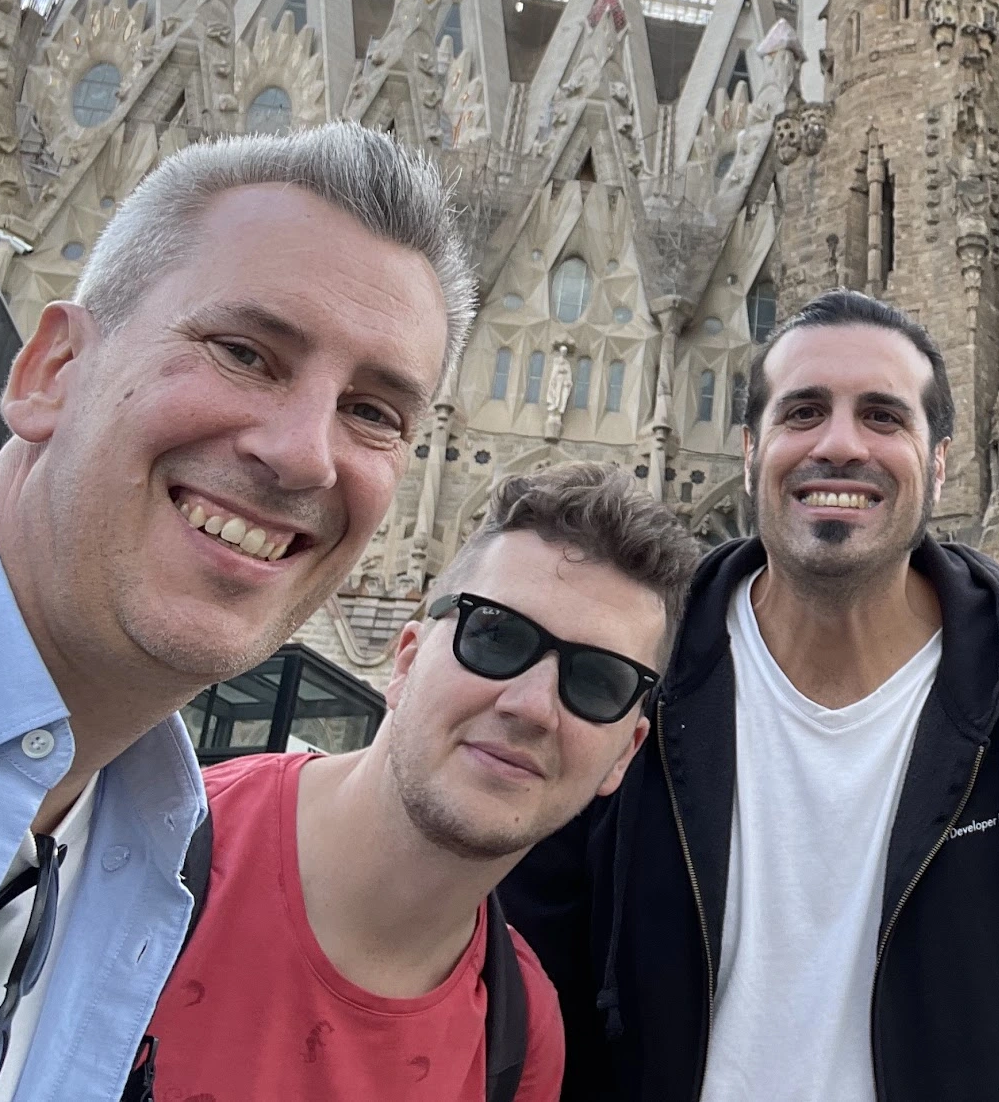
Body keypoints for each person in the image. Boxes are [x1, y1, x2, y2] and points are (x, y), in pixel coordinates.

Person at [0, 124, 471, 1102]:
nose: (301, 455)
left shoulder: (147, 860)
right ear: (53, 372)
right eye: (245, 351)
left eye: (374, 411)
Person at [504, 288, 999, 1101]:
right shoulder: (630, 671)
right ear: (750, 449)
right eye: (804, 412)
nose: (840, 445)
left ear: (940, 462)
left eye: (883, 417)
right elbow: (521, 969)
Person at [143, 463, 702, 1101]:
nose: (532, 706)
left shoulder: (519, 1041)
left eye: (600, 682)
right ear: (406, 660)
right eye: (496, 637)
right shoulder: (143, 850)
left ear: (624, 754)